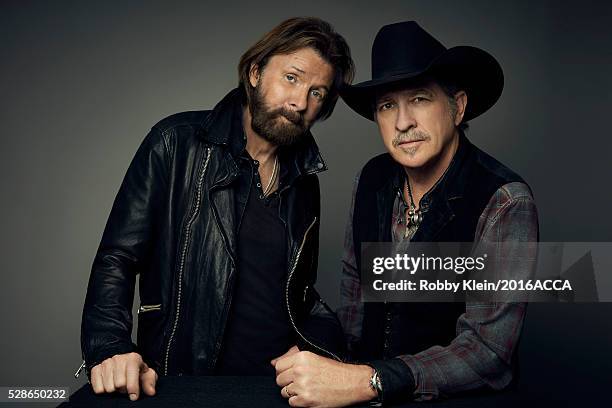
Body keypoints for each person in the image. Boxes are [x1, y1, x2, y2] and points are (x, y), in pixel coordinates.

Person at [77, 17, 354, 401]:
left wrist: (318, 348)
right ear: (255, 72)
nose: (299, 103)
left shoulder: (305, 181)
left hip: (274, 391)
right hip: (182, 382)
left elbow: (300, 294)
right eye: (292, 78)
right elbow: (117, 258)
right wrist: (109, 347)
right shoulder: (175, 143)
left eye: (318, 93)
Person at [273, 21, 538, 406]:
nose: (402, 123)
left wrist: (371, 379)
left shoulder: (504, 201)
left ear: (458, 106)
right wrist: (320, 355)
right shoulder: (372, 179)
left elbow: (488, 351)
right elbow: (354, 307)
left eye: (419, 99)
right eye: (387, 106)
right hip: (368, 397)